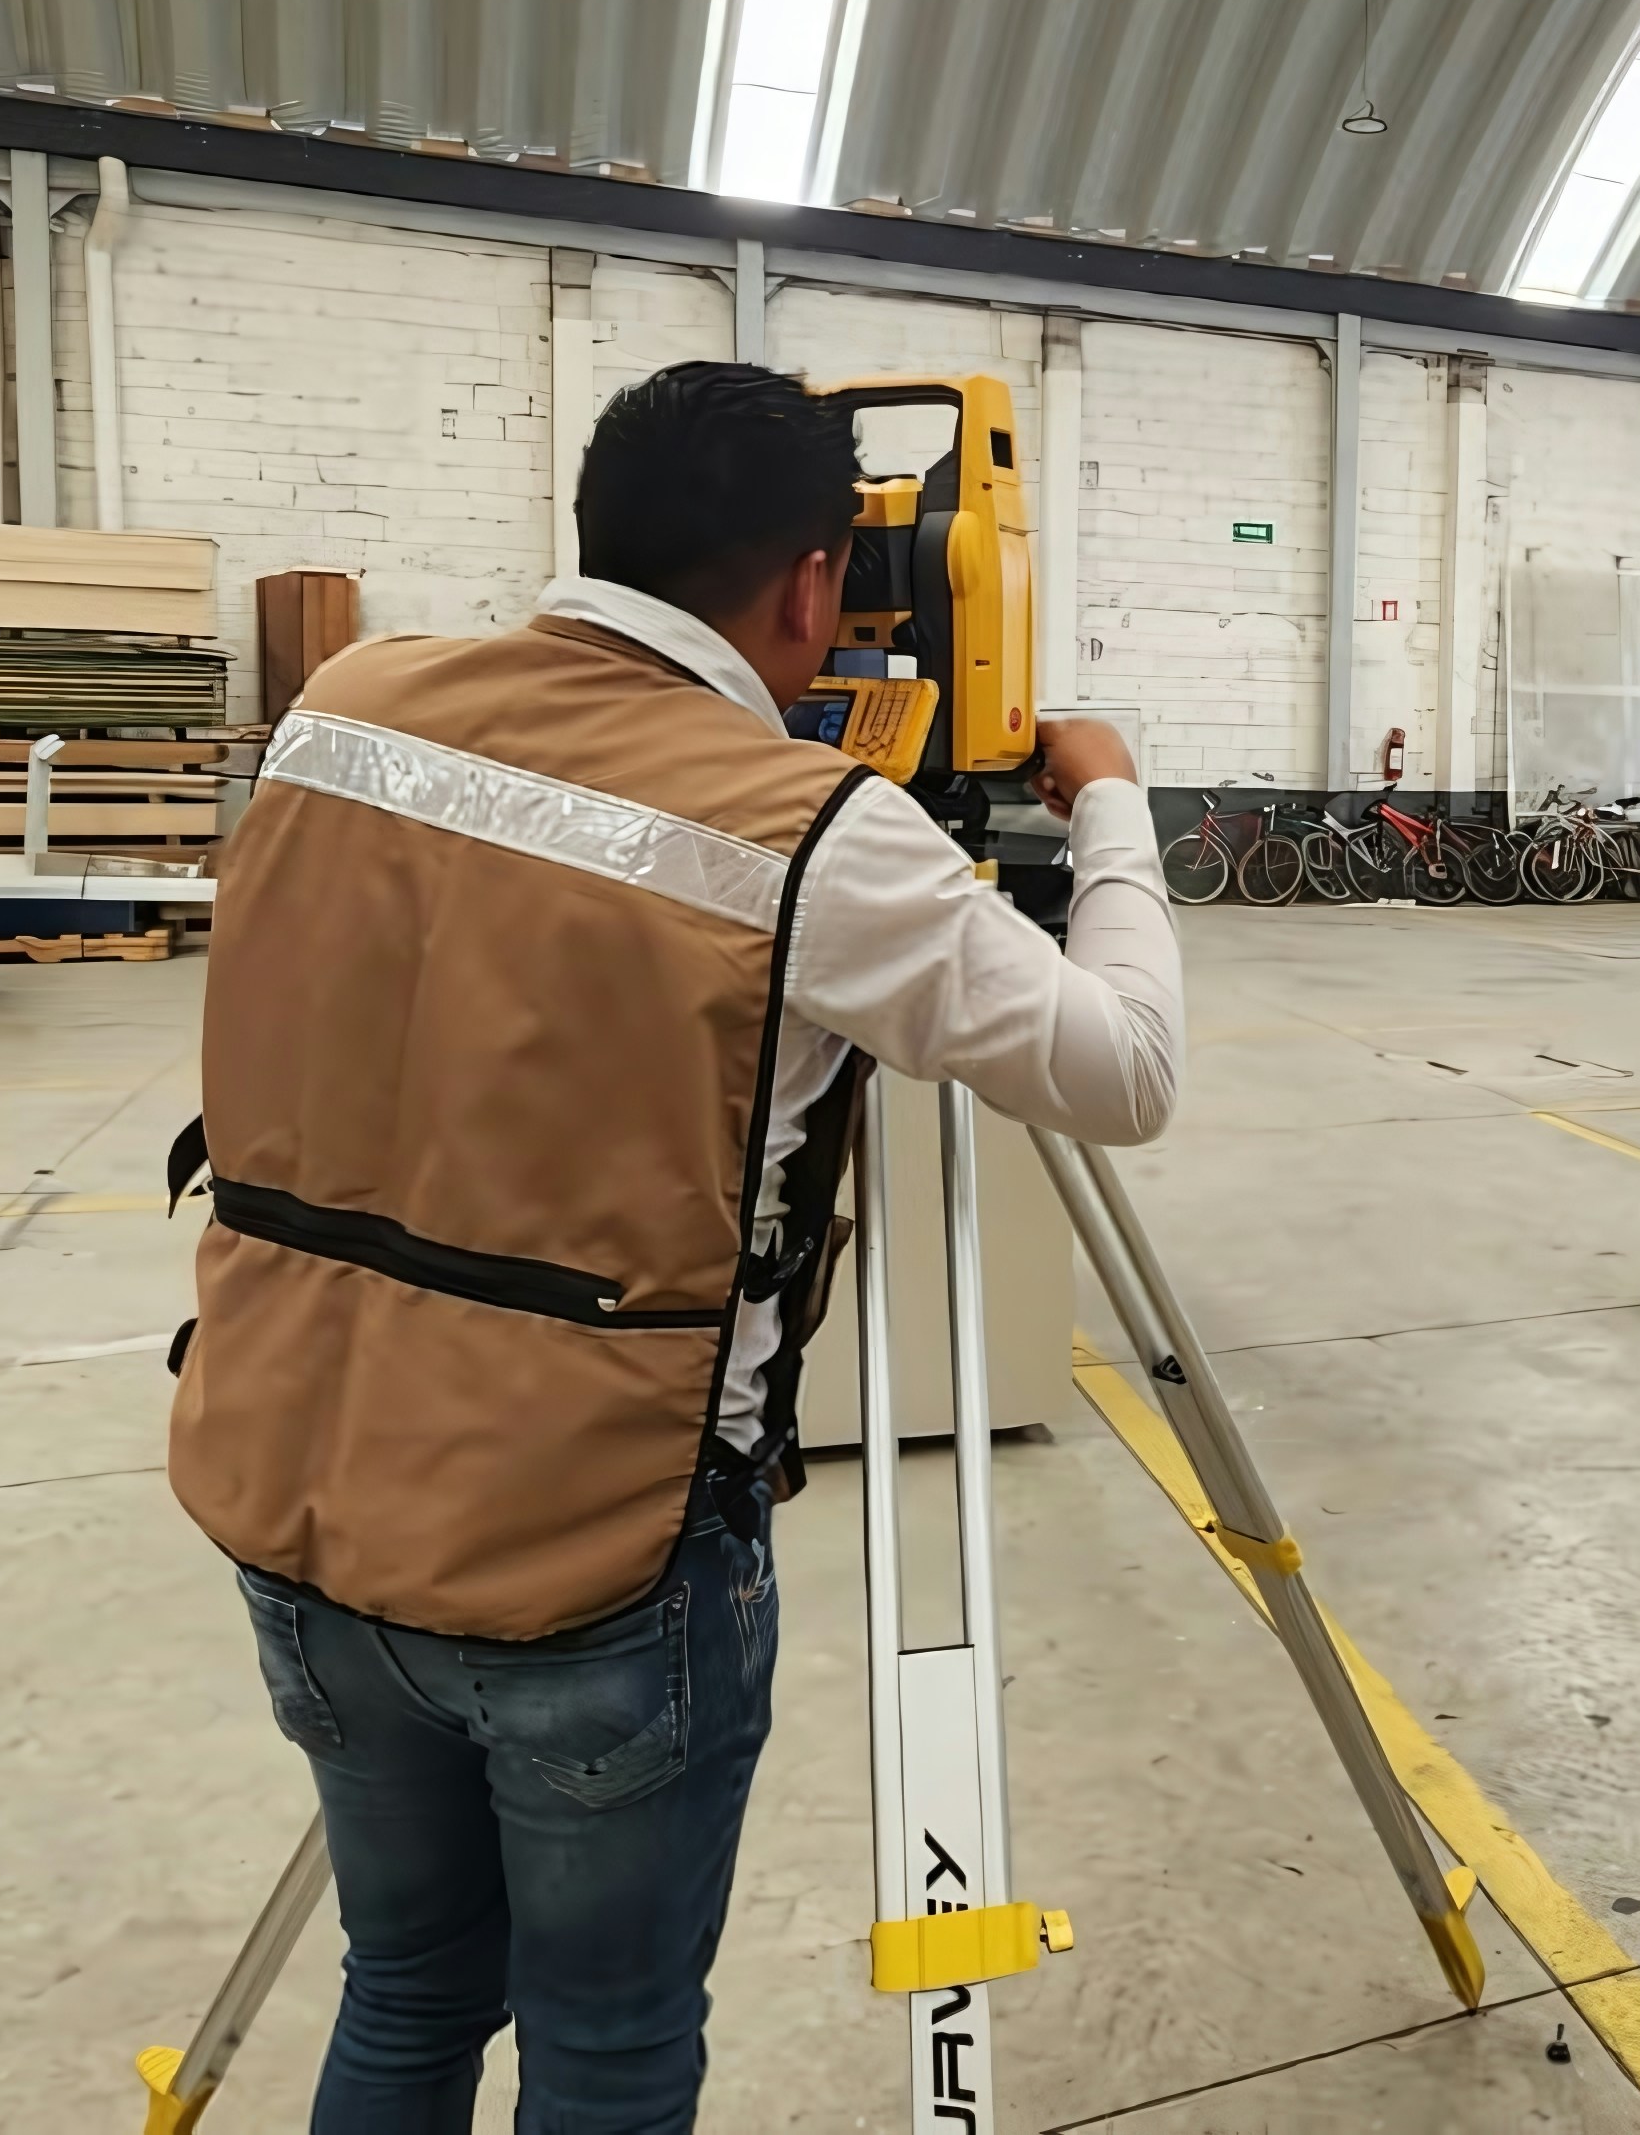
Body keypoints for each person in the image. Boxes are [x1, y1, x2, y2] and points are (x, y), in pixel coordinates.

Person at [165, 362, 1182, 2132]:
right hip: (590, 1557)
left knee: (404, 1986)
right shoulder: (812, 835)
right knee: (609, 2041)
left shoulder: (343, 706)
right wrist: (1106, 800)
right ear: (812, 584)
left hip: (295, 1490)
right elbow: (1127, 1069)